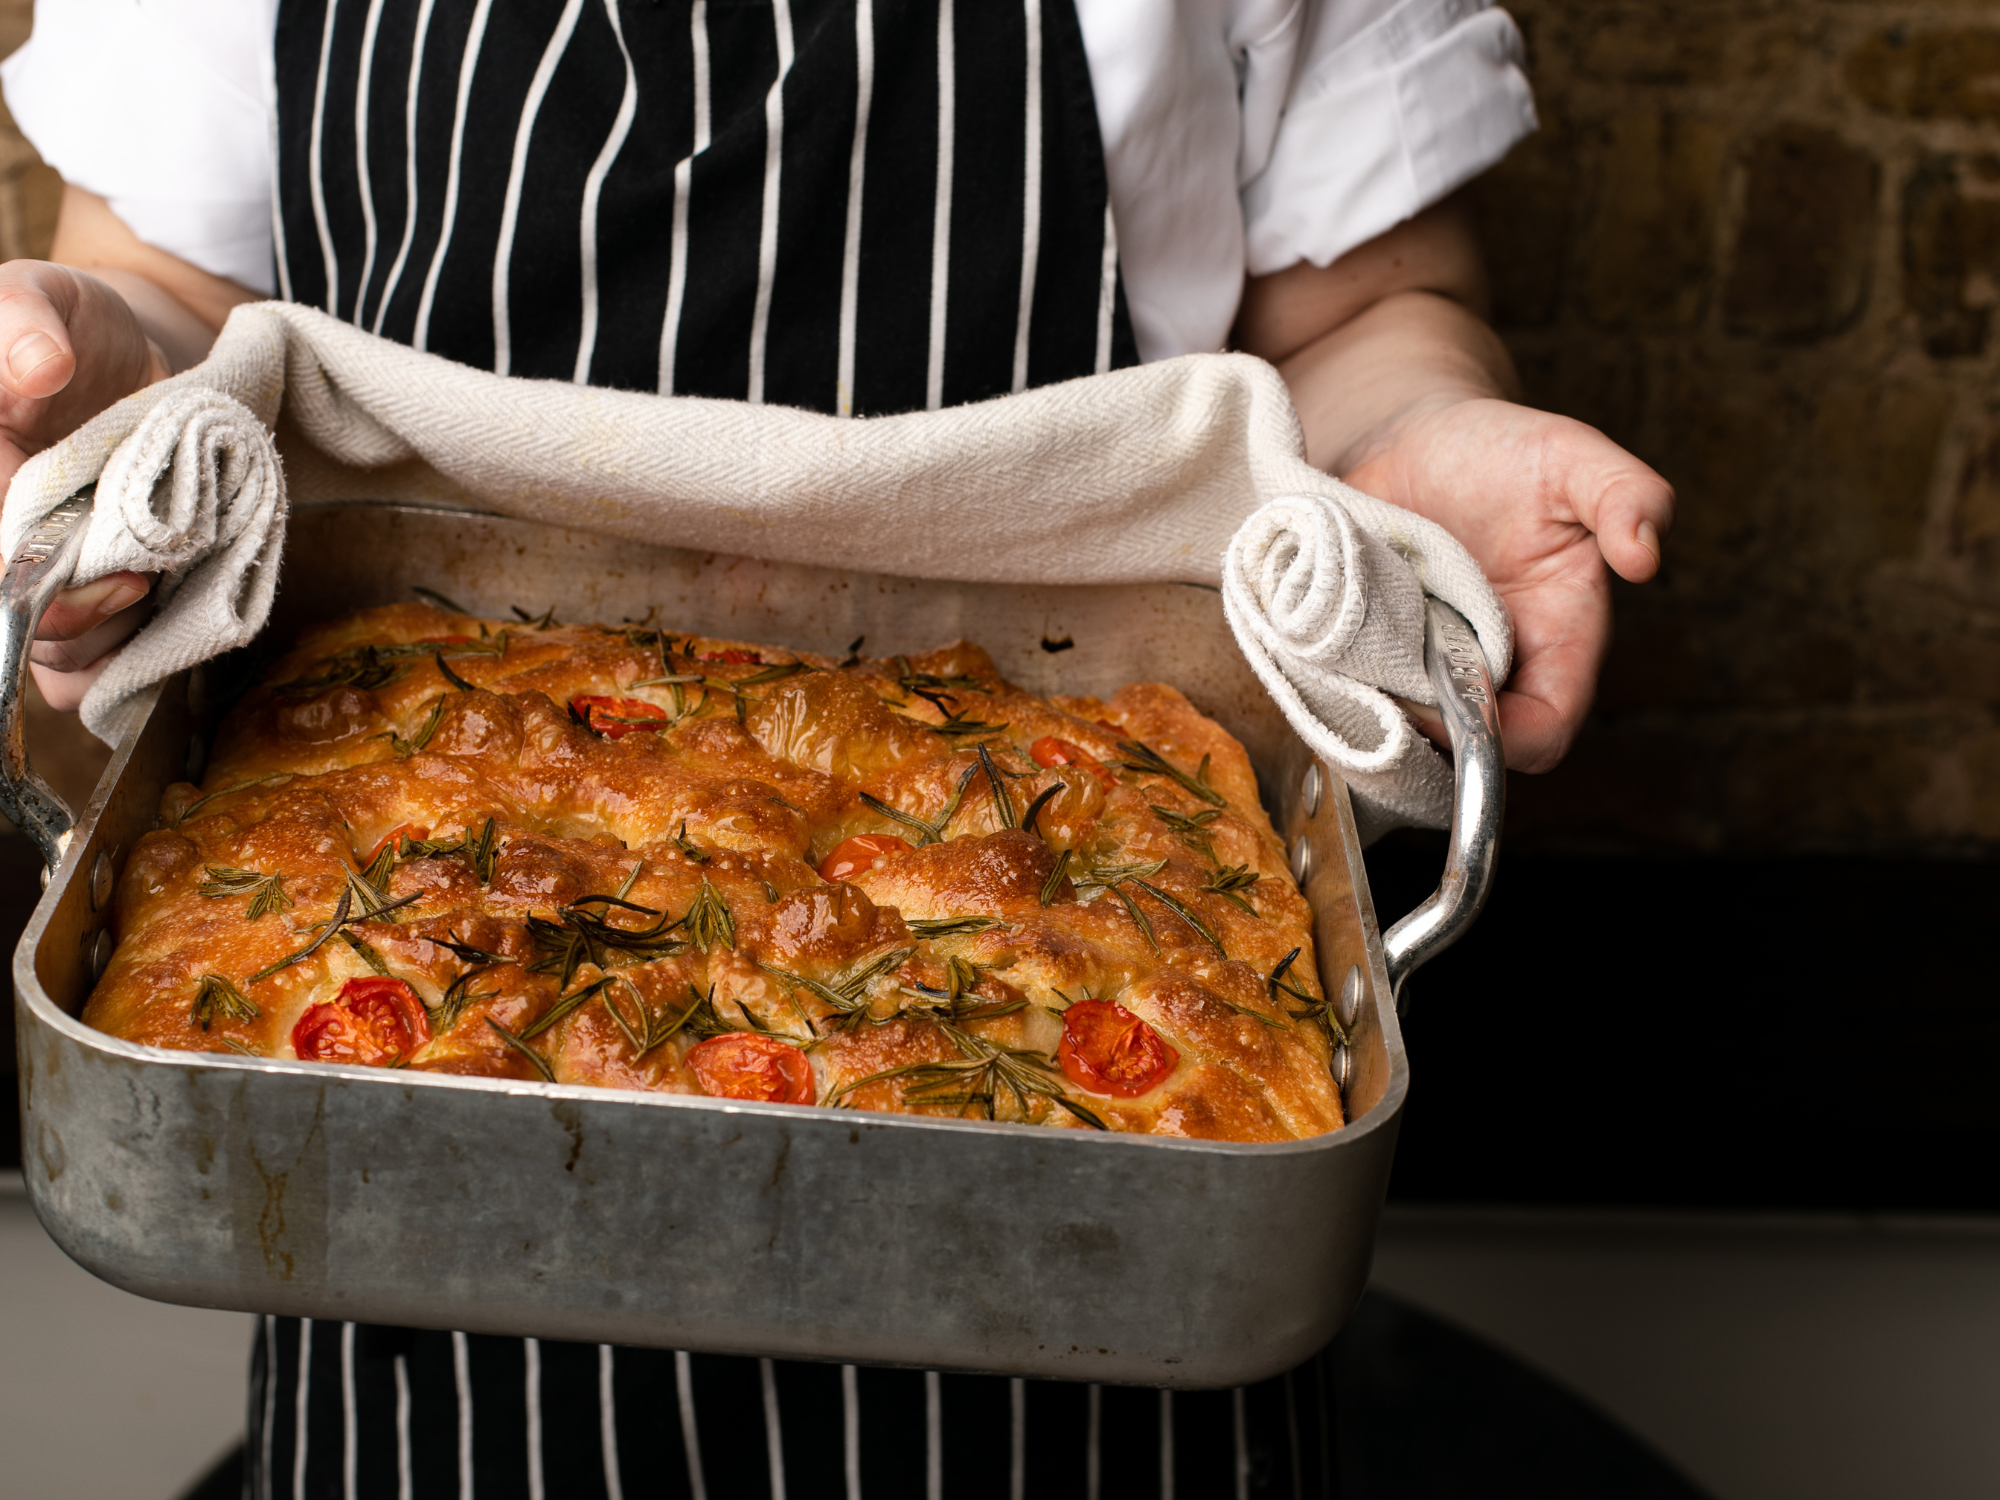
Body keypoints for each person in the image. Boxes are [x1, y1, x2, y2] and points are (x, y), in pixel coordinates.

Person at [0, 1, 1674, 1494]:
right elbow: (185, 308)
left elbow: (1371, 305)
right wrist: (102, 399)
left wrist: (1409, 439)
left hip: (1107, 1284)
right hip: (404, 1272)